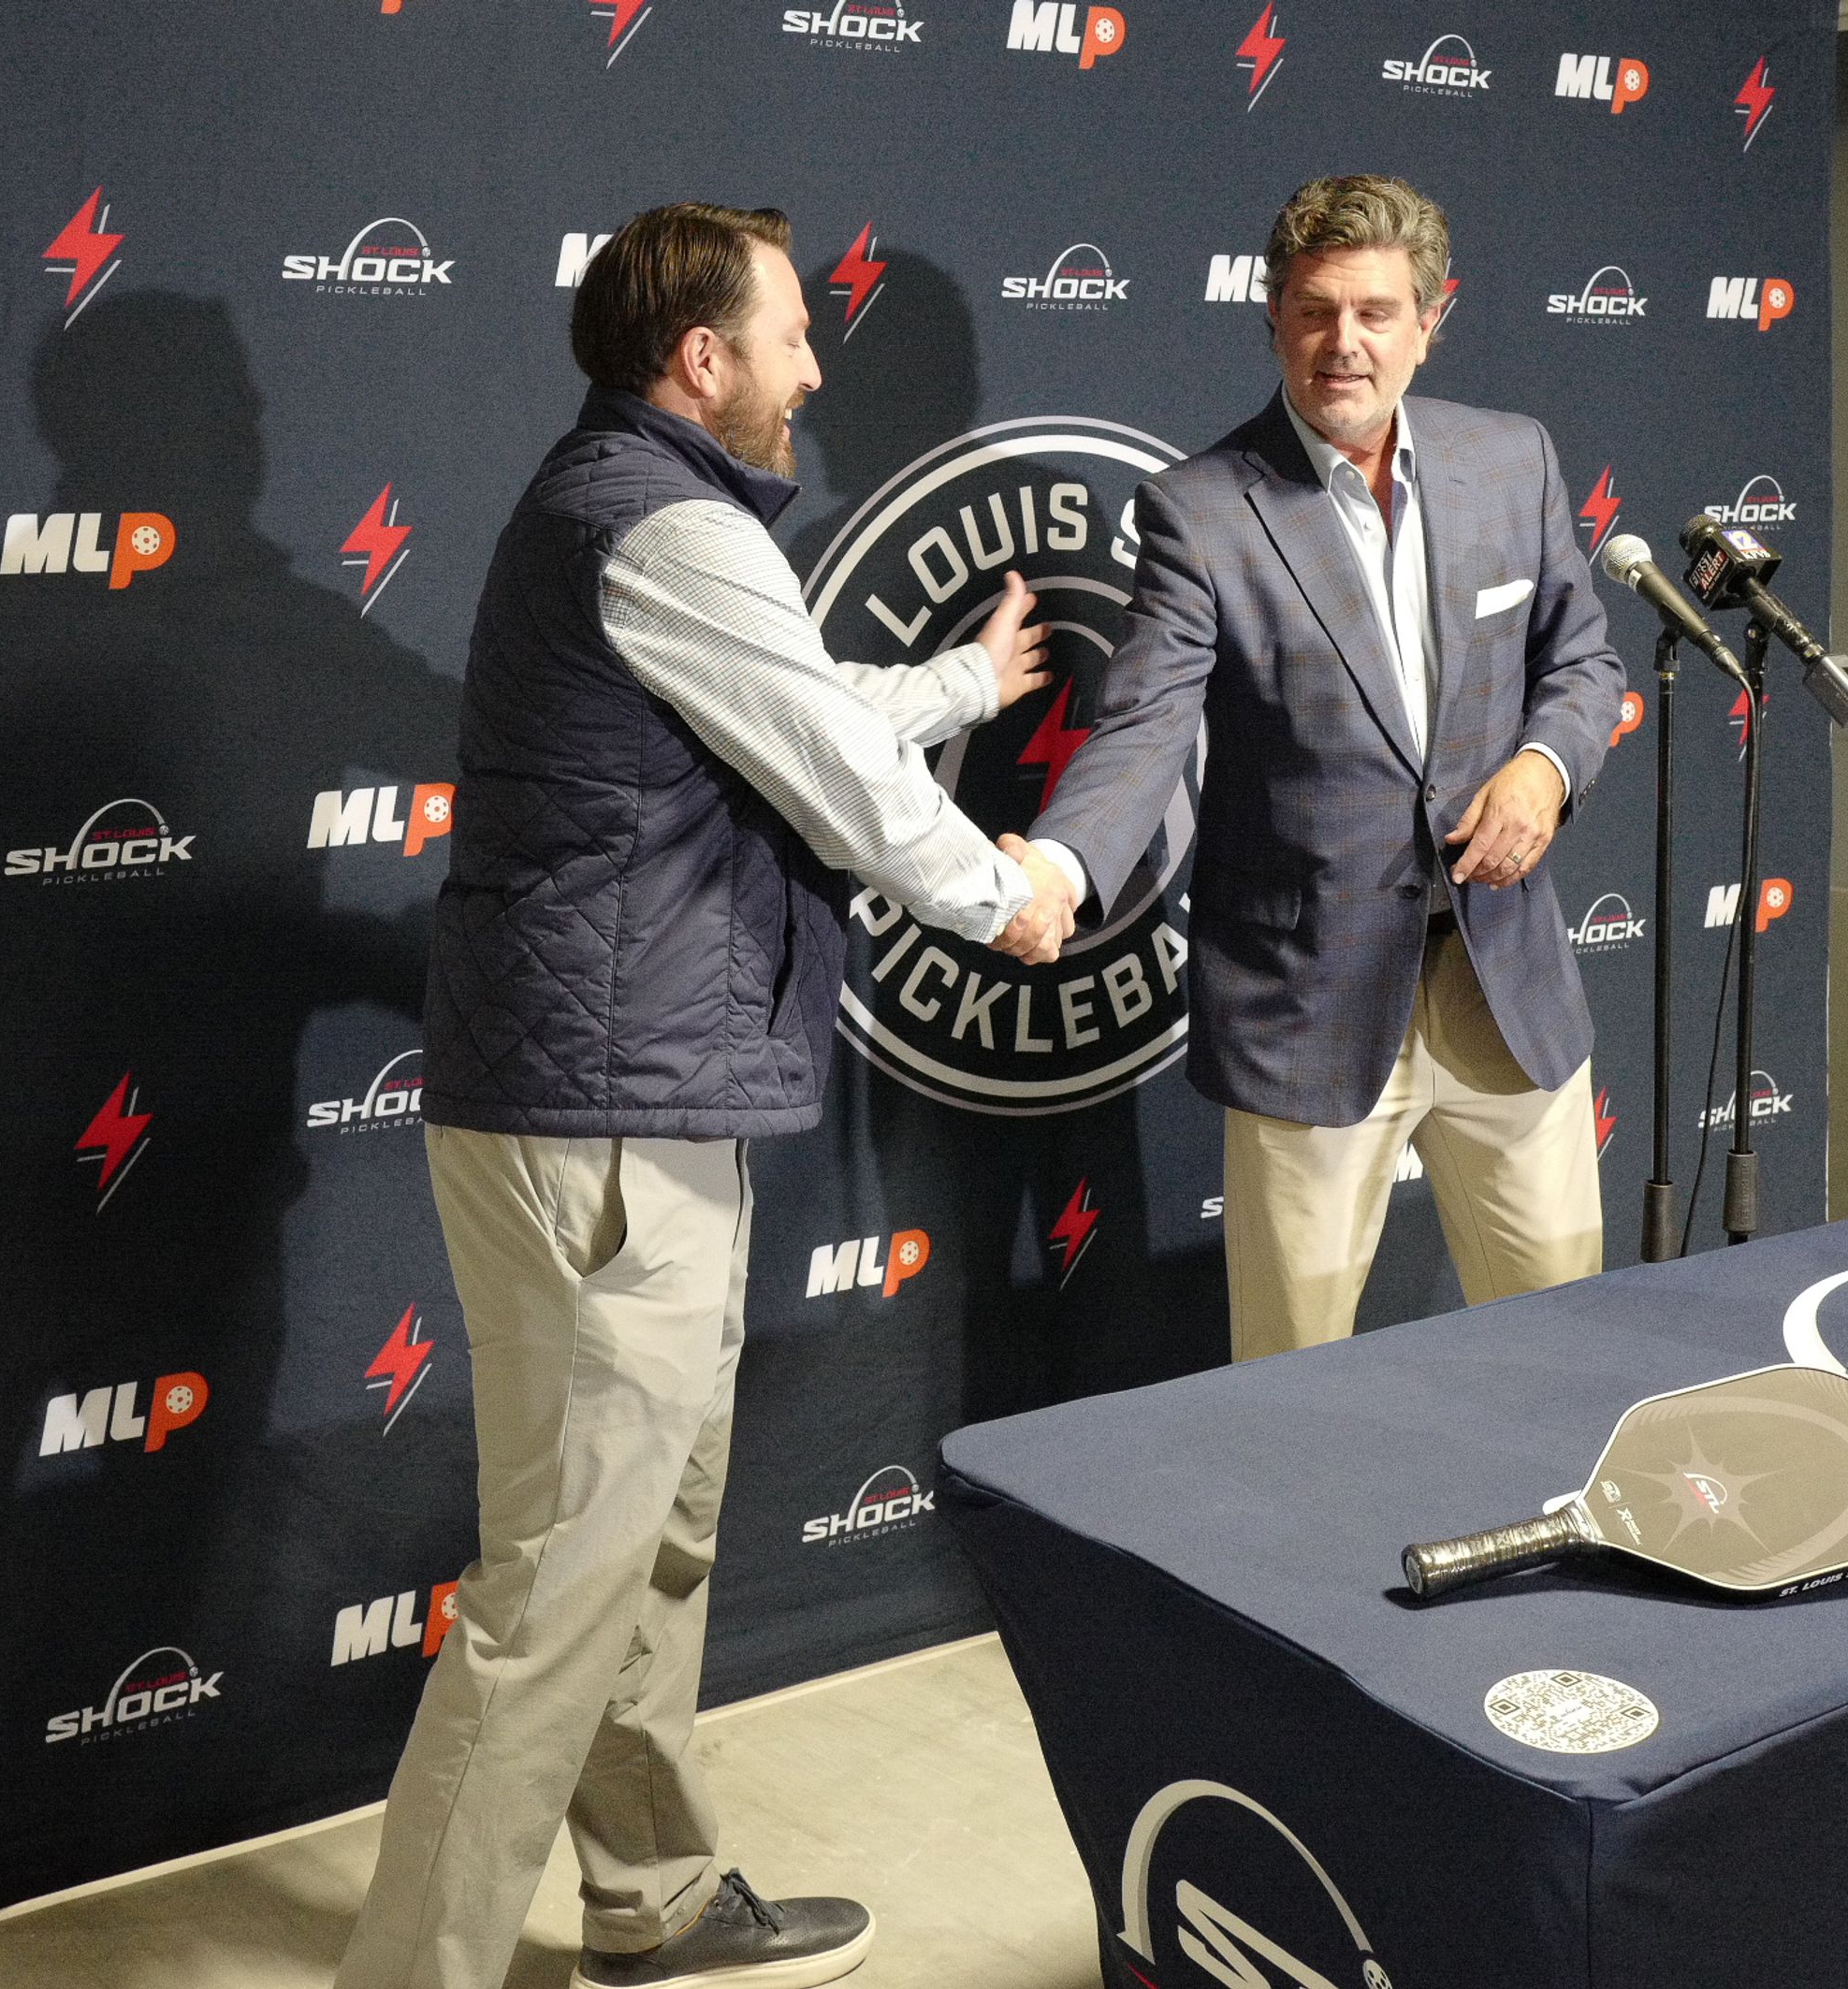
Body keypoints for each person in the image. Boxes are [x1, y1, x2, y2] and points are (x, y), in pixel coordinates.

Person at [335, 202, 1070, 1989]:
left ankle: (651, 1900)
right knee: (560, 1593)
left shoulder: (643, 515)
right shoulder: (660, 518)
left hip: (634, 1111)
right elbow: (833, 775)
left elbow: (783, 709)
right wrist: (1006, 892)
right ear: (703, 359)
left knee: (649, 1542)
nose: (817, 366)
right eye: (796, 335)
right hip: (603, 1129)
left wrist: (973, 678)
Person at [1015, 174, 1625, 1362]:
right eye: (1313, 312)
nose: (1343, 344)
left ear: (1430, 318)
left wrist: (1546, 767)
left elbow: (1584, 661)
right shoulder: (1202, 511)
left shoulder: (1514, 461)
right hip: (1310, 1000)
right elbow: (1143, 729)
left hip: (1505, 989)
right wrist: (1056, 863)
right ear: (1274, 318)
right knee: (1287, 1379)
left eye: (1376, 312)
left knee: (1563, 1350)